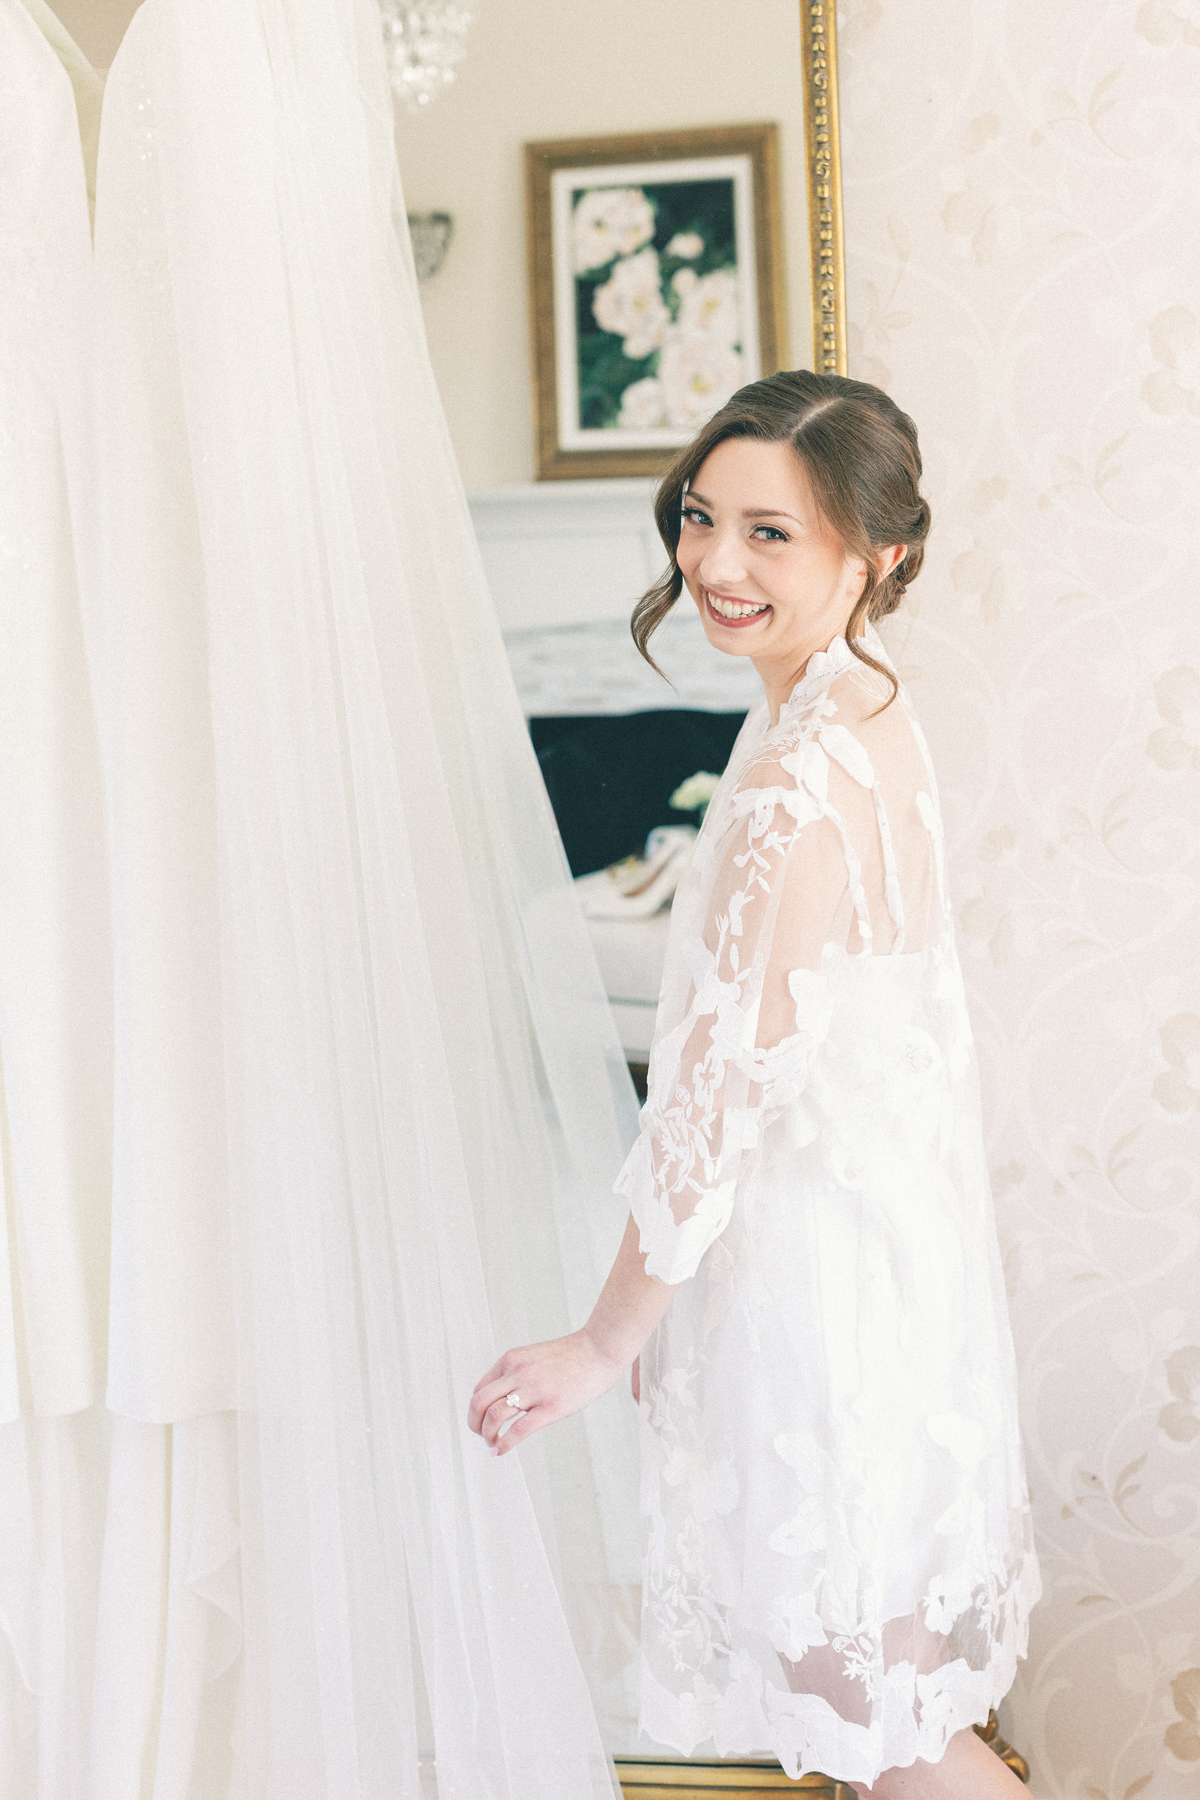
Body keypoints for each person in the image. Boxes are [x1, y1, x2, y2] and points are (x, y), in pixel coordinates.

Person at [470, 370, 1041, 1797]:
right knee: (895, 1720)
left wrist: (603, 1344)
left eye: (771, 534)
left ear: (879, 551)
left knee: (881, 1731)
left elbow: (709, 1110)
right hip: (887, 1277)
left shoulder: (794, 787)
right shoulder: (868, 719)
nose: (715, 565)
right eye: (701, 518)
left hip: (820, 1307)